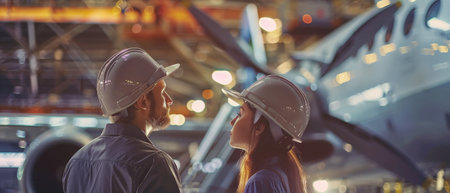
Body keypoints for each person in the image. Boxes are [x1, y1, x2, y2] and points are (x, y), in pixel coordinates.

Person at [62, 47, 182, 193]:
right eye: (162, 92)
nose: (169, 101)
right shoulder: (153, 162)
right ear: (142, 102)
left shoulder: (77, 161)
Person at [222, 75, 310, 193]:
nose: (232, 122)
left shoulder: (260, 181)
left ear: (258, 127)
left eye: (240, 114)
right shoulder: (281, 174)